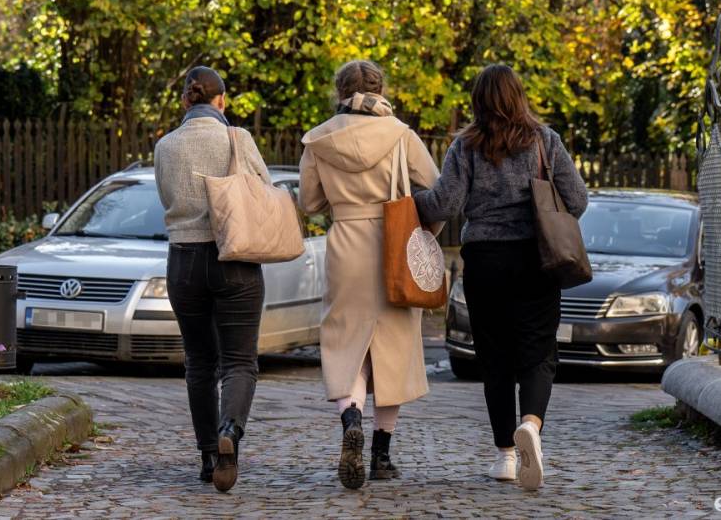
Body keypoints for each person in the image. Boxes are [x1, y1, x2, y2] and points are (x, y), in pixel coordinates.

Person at [414, 63, 588, 491]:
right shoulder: (545, 141)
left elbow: (445, 204)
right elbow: (578, 199)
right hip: (536, 257)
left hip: (485, 260)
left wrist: (411, 199)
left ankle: (506, 456)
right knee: (538, 352)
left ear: (478, 100)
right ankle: (530, 424)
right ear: (518, 95)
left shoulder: (466, 145)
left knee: (494, 358)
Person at [298, 60, 441, 490]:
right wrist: (423, 233)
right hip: (394, 245)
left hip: (345, 246)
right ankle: (381, 456)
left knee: (346, 343)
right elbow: (436, 188)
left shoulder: (319, 140)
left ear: (338, 91)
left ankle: (350, 420)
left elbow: (308, 202)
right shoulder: (401, 135)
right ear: (381, 89)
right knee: (393, 350)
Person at [154, 66, 271, 493]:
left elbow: (165, 196)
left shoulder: (165, 146)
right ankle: (231, 435)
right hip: (234, 258)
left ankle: (207, 456)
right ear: (222, 100)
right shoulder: (237, 139)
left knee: (199, 362)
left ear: (186, 101)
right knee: (240, 361)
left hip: (183, 260)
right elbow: (262, 187)